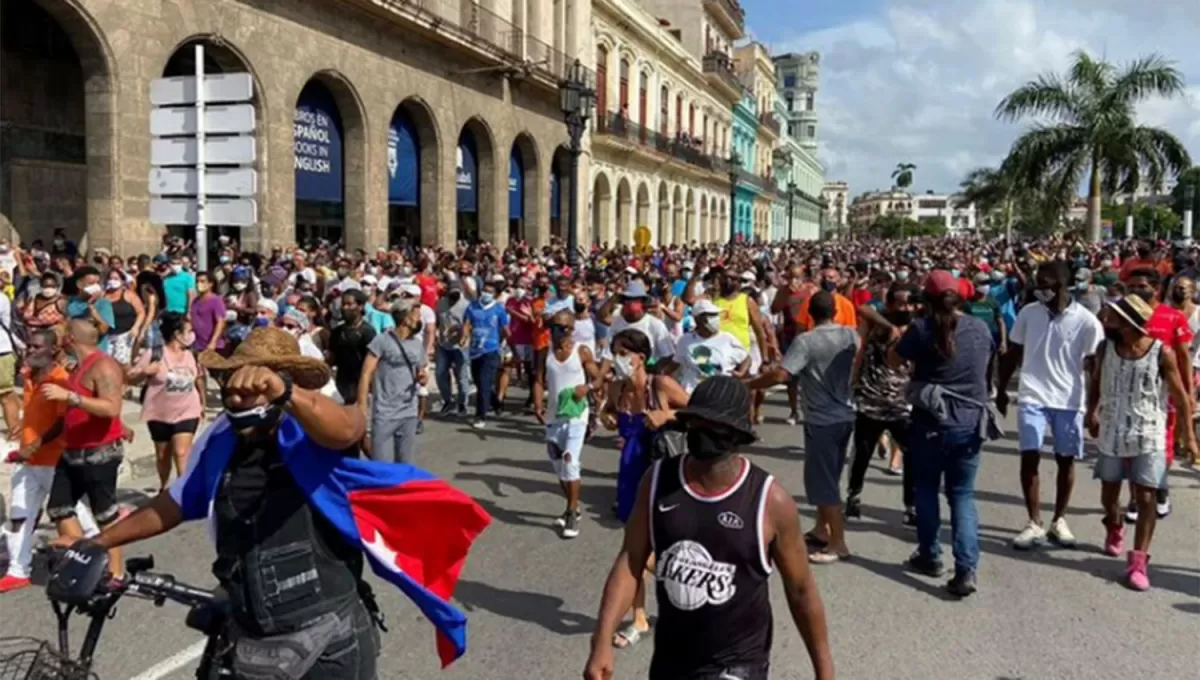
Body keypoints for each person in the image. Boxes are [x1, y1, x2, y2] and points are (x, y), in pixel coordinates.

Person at [584, 376, 835, 680]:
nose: (701, 431)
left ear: (735, 433)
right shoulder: (658, 480)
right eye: (696, 422)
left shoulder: (769, 501)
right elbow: (631, 560)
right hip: (671, 660)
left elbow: (801, 590)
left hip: (737, 665)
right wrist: (601, 640)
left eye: (712, 425)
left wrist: (825, 673)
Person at [890, 270, 993, 597]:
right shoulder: (979, 327)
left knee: (926, 488)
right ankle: (966, 569)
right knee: (962, 495)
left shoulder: (921, 329)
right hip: (970, 421)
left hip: (930, 423)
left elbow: (893, 360)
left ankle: (930, 555)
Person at [1086, 294, 1196, 590]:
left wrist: (1190, 437)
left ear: (1128, 323)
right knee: (1110, 495)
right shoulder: (1105, 349)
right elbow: (1096, 381)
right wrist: (1090, 411)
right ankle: (1114, 524)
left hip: (1149, 432)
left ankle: (1138, 561)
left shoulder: (1162, 353)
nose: (1106, 318)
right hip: (1112, 431)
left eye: (1113, 315)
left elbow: (1181, 398)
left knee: (1146, 497)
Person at [996, 261, 1103, 550]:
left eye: (1045, 284)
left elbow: (1095, 368)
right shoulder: (1028, 314)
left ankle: (1059, 519)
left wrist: (1094, 407)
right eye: (1037, 283)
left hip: (1069, 400)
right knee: (1029, 457)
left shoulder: (1087, 321)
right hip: (1033, 396)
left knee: (1065, 460)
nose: (1039, 289)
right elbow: (1013, 352)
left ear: (1062, 285)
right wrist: (1001, 390)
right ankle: (1034, 522)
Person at [748, 291, 859, 564]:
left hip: (822, 419)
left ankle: (838, 543)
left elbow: (783, 374)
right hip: (846, 414)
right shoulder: (850, 336)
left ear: (809, 313)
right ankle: (822, 529)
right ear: (835, 310)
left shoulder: (806, 342)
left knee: (824, 483)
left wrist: (749, 384)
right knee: (830, 476)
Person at [598, 328, 688, 648]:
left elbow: (700, 412)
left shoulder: (660, 385)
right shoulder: (617, 388)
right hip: (629, 475)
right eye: (615, 352)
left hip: (663, 473)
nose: (618, 359)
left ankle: (682, 596)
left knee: (657, 549)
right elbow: (607, 413)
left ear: (641, 356)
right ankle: (640, 616)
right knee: (634, 550)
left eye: (624, 353)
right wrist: (606, 419)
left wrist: (668, 414)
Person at [0, 329, 98, 594]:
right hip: (27, 463)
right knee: (20, 514)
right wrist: (23, 426)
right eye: (29, 347)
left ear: (53, 351)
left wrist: (35, 444)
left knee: (73, 513)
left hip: (53, 462)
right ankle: (18, 570)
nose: (30, 351)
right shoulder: (30, 377)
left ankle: (99, 552)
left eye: (36, 348)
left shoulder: (61, 380)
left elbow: (63, 421)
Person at [44, 318, 126, 577]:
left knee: (105, 517)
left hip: (98, 453)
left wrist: (70, 397)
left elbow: (111, 407)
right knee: (59, 508)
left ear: (70, 337)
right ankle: (82, 562)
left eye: (61, 332)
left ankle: (115, 574)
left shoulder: (103, 365)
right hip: (73, 451)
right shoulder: (78, 366)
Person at [846, 283, 916, 524]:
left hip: (902, 403)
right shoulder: (878, 322)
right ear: (889, 304)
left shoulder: (917, 326)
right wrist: (889, 326)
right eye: (900, 303)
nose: (905, 307)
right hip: (871, 399)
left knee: (912, 455)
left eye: (909, 302)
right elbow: (862, 308)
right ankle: (853, 497)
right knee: (862, 453)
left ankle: (911, 506)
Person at [533, 309, 600, 539]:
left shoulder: (581, 352)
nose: (560, 332)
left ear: (572, 329)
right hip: (554, 416)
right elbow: (539, 379)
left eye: (565, 328)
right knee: (558, 464)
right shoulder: (544, 352)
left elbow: (598, 377)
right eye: (555, 327)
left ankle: (571, 513)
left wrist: (588, 388)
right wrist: (537, 404)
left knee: (570, 460)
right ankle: (574, 505)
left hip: (577, 415)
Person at [128, 312, 204, 491]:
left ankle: (182, 491)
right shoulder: (154, 354)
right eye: (188, 331)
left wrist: (202, 402)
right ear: (177, 334)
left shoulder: (192, 354)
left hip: (187, 410)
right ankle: (164, 486)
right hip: (159, 412)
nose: (191, 334)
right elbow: (130, 379)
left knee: (181, 452)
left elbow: (199, 379)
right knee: (163, 455)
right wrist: (144, 372)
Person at [358, 299, 428, 464]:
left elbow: (422, 371)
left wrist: (423, 377)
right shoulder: (381, 341)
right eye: (416, 317)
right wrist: (362, 405)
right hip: (384, 413)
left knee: (405, 465)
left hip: (409, 412)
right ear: (406, 319)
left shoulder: (417, 344)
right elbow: (366, 373)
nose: (419, 321)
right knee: (380, 465)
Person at [660, 299, 750, 394]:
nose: (715, 318)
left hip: (720, 393)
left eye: (715, 315)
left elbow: (746, 358)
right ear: (698, 319)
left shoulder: (727, 338)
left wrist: (741, 373)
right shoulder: (685, 340)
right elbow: (674, 364)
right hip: (692, 394)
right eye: (710, 315)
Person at [462, 279, 510, 429]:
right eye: (485, 291)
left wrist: (503, 345)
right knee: (479, 382)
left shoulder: (499, 309)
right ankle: (496, 402)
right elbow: (467, 324)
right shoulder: (472, 307)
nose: (486, 294)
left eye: (490, 292)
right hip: (475, 350)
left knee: (484, 383)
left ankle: (480, 416)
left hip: (491, 351)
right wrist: (464, 337)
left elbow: (505, 330)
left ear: (496, 294)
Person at [328, 290, 377, 405]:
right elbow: (331, 358)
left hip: (360, 386)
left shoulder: (367, 332)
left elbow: (373, 363)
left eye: (349, 304)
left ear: (360, 306)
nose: (345, 308)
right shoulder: (337, 332)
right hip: (340, 384)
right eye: (343, 304)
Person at [434, 279, 471, 416]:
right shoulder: (441, 303)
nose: (454, 297)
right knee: (440, 373)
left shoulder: (466, 305)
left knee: (461, 376)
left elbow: (470, 324)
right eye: (451, 294)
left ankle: (462, 404)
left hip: (460, 346)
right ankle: (448, 402)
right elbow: (437, 320)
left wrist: (459, 330)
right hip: (443, 345)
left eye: (457, 294)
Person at [65, 266, 114, 354]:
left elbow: (103, 330)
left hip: (96, 354)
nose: (96, 286)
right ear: (79, 284)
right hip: (74, 355)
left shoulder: (103, 303)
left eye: (97, 283)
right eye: (91, 283)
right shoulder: (70, 302)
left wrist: (93, 310)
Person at [101, 267, 144, 367]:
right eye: (111, 278)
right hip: (107, 335)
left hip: (125, 334)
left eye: (116, 279)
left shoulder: (129, 295)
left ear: (122, 281)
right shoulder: (103, 295)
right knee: (106, 362)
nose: (113, 281)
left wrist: (136, 327)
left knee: (121, 362)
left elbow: (141, 312)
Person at [190, 271, 227, 356]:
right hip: (198, 345)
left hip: (212, 346)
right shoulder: (195, 301)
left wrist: (213, 342)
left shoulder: (216, 300)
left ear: (210, 284)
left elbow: (220, 322)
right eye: (197, 281)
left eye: (202, 281)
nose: (199, 284)